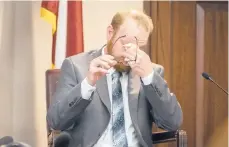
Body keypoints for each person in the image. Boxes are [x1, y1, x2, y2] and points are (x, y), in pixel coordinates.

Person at [47, 10, 183, 147]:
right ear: (110, 32)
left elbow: (172, 122)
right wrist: (88, 84)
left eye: (139, 47)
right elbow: (56, 122)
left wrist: (149, 77)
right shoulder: (76, 66)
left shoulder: (150, 72)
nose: (131, 53)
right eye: (126, 44)